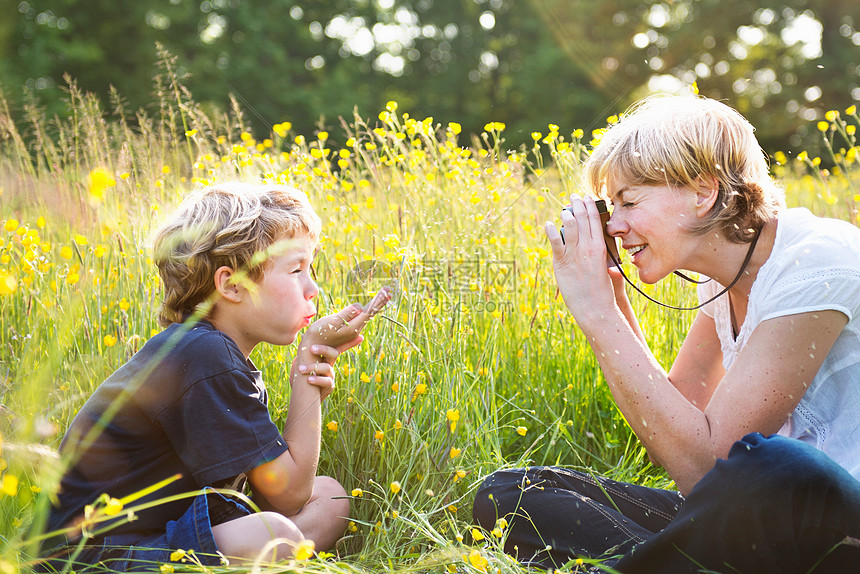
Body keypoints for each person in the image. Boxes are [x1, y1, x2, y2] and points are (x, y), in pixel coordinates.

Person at [472, 95, 860, 573]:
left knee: (775, 464)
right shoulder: (724, 279)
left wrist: (600, 317)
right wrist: (612, 299)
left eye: (629, 202)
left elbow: (707, 465)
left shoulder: (815, 262)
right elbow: (679, 430)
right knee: (513, 492)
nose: (614, 226)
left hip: (832, 518)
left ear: (703, 191)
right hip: (764, 518)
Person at [39, 182, 391, 571]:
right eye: (297, 270)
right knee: (277, 534)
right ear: (232, 286)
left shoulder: (207, 351)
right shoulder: (205, 354)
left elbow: (278, 494)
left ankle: (278, 560)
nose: (313, 288)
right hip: (92, 559)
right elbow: (288, 495)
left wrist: (307, 372)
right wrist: (308, 367)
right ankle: (281, 559)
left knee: (331, 497)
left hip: (158, 539)